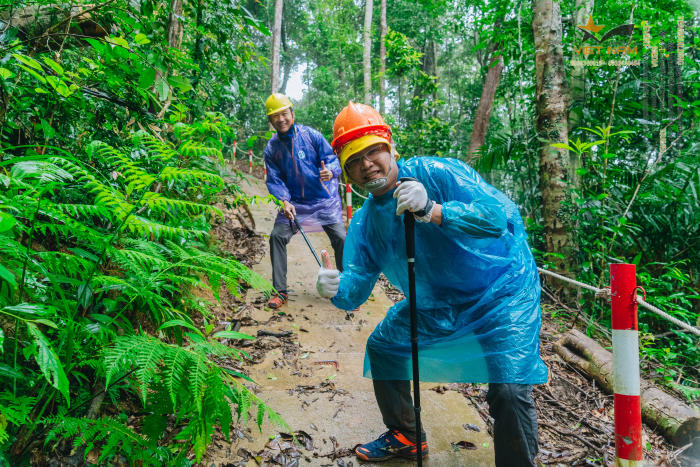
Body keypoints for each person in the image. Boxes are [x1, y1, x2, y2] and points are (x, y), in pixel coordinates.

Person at [315, 102, 547, 466]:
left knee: (508, 389)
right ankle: (406, 433)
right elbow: (355, 289)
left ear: (390, 147)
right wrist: (335, 288)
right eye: (354, 159)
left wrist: (433, 210)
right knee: (383, 347)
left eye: (373, 150)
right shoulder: (363, 223)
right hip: (437, 304)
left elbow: (496, 217)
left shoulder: (435, 172)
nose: (366, 164)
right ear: (346, 171)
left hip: (502, 292)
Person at [263, 93, 345, 309]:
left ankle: (346, 291)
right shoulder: (271, 149)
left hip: (323, 200)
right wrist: (284, 201)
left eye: (284, 114)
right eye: (275, 116)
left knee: (341, 238)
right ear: (270, 121)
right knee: (277, 237)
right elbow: (274, 179)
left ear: (292, 113)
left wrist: (332, 171)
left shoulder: (312, 136)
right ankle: (280, 291)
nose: (280, 119)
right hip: (295, 204)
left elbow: (331, 159)